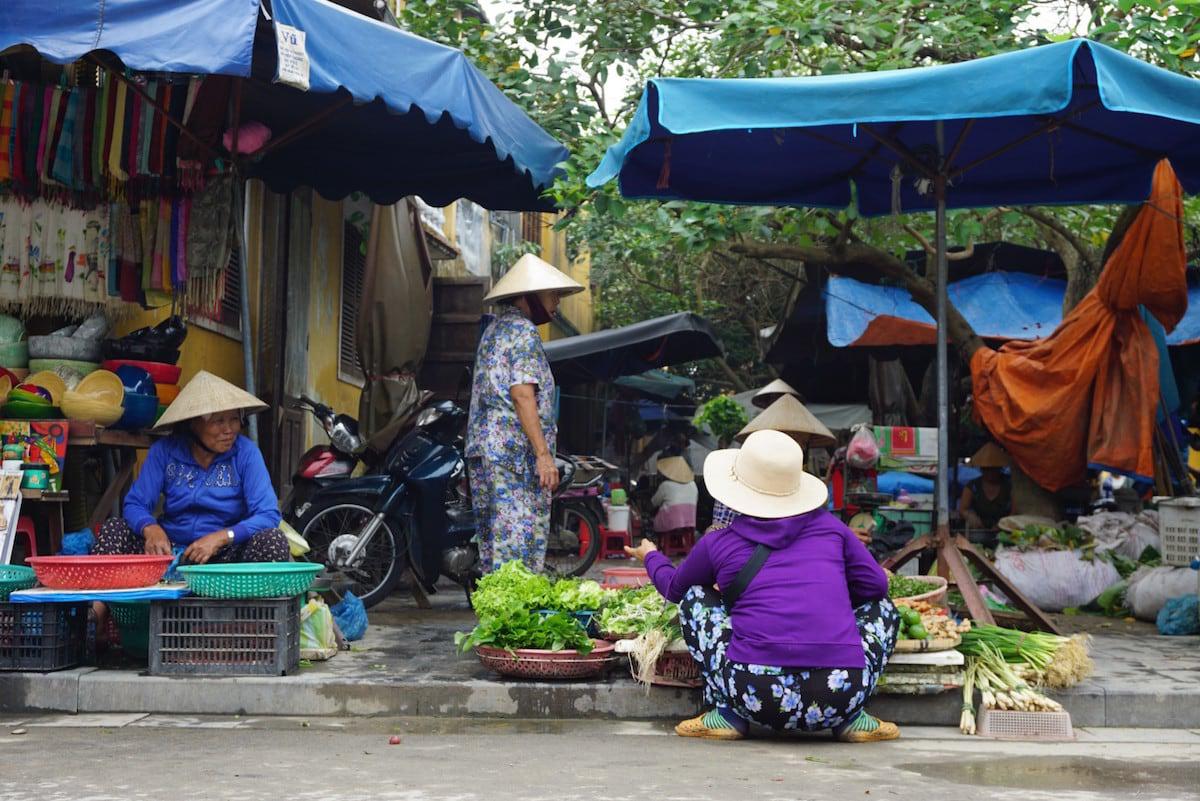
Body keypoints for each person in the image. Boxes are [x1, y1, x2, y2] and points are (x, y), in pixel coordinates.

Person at [626, 430, 900, 742]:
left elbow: (674, 588)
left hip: (753, 694)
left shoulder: (719, 541)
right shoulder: (832, 528)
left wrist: (650, 555)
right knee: (884, 609)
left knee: (695, 597)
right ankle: (851, 720)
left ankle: (727, 715)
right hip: (841, 693)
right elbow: (876, 587)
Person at [93, 370, 289, 564]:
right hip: (168, 550)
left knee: (272, 540)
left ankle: (241, 595)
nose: (229, 430)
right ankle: (100, 596)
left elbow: (268, 514)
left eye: (234, 419)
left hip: (225, 554)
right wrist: (150, 528)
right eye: (218, 421)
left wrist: (221, 537)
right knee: (114, 529)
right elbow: (135, 504)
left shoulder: (246, 453)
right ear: (193, 424)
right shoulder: (164, 451)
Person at [466, 253, 584, 572]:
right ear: (529, 294)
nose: (557, 301)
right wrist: (543, 455)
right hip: (513, 455)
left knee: (495, 548)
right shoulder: (524, 332)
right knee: (518, 548)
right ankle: (511, 617)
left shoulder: (493, 331)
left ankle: (496, 617)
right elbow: (522, 394)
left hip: (484, 453)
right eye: (552, 293)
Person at [710, 394, 840, 535]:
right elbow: (719, 530)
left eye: (802, 444)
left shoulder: (800, 488)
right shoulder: (737, 480)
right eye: (789, 441)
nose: (796, 448)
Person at [960, 442, 1012, 530]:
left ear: (999, 469)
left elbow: (1015, 512)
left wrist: (1002, 525)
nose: (990, 473)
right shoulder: (973, 486)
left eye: (993, 469)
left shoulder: (1009, 485)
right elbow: (963, 509)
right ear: (982, 469)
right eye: (987, 470)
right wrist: (970, 516)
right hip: (980, 530)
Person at [650, 456, 698, 534]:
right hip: (690, 524)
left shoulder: (666, 485)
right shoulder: (693, 485)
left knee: (656, 518)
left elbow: (654, 502)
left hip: (669, 525)